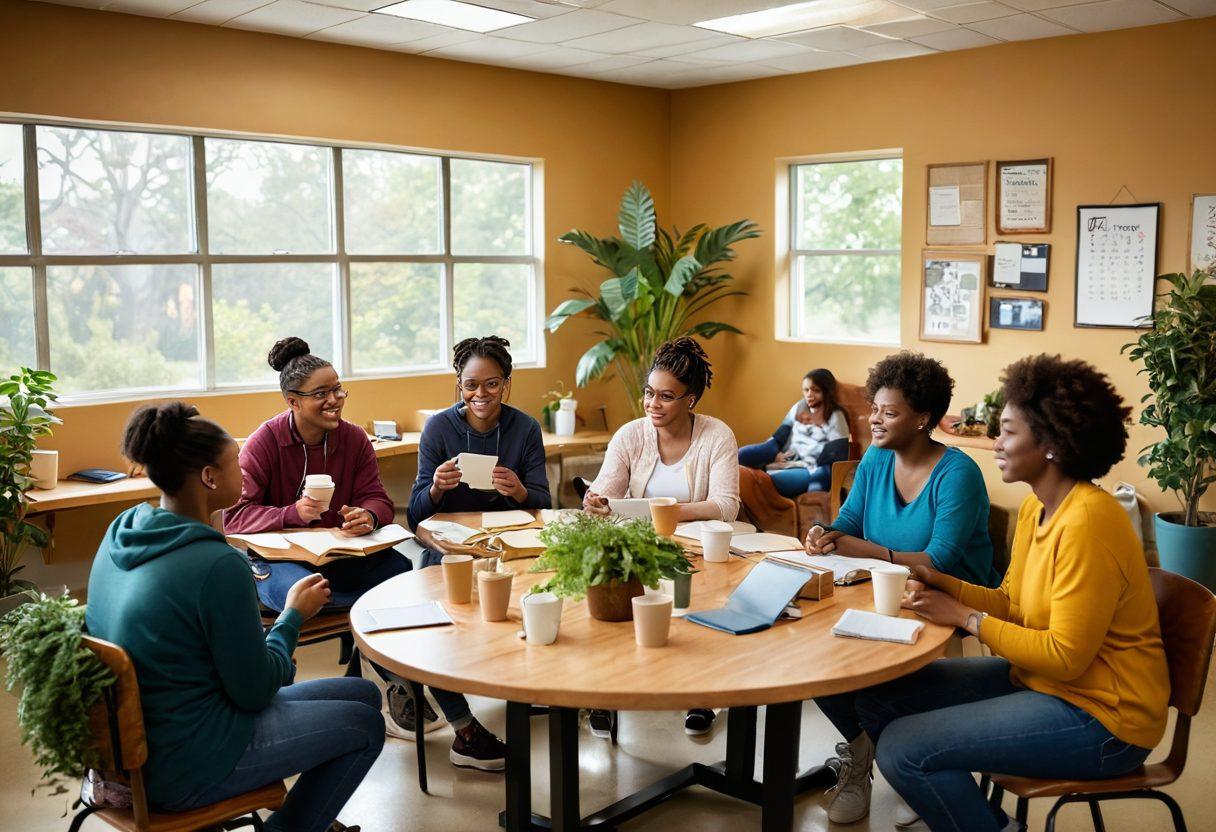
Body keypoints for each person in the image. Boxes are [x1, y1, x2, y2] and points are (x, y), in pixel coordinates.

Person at [844, 355, 1169, 832]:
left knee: (904, 750)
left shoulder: (1089, 522)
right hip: (1043, 683)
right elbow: (1012, 602)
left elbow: (1066, 657)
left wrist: (963, 616)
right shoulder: (1040, 507)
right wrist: (944, 584)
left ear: (1053, 444)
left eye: (1009, 432)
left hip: (1104, 718)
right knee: (877, 701)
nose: (996, 444)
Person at [86, 402, 380, 832]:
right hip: (187, 763)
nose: (243, 473)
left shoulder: (123, 530)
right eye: (235, 464)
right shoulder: (216, 565)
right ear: (209, 477)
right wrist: (292, 617)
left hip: (137, 747)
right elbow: (257, 690)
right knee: (367, 724)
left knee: (362, 694)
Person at [224, 337, 505, 772]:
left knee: (401, 579)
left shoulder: (353, 438)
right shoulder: (264, 442)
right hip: (284, 568)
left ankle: (458, 724)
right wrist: (290, 513)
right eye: (322, 394)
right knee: (352, 605)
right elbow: (234, 517)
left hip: (347, 558)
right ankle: (398, 677)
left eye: (339, 390)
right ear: (292, 401)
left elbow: (377, 496)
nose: (335, 400)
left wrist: (368, 518)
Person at [806, 351, 998, 826]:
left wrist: (866, 550)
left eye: (889, 413)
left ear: (923, 419)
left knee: (882, 680)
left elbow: (938, 561)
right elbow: (850, 522)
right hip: (879, 590)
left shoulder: (958, 474)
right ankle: (860, 750)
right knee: (812, 654)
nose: (874, 419)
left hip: (944, 601)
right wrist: (827, 533)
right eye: (875, 408)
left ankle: (913, 765)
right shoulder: (875, 457)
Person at [583, 337, 740, 738]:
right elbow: (608, 486)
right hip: (637, 545)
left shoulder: (716, 435)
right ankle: (604, 694)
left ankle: (701, 694)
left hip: (694, 547)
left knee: (699, 607)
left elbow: (725, 505)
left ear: (690, 400)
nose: (653, 404)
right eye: (649, 393)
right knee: (613, 604)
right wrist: (597, 499)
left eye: (666, 396)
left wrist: (665, 512)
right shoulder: (631, 435)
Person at [408, 335, 551, 527]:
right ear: (460, 385)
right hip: (453, 539)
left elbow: (545, 506)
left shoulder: (526, 428)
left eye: (492, 384)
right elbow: (414, 518)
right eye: (471, 385)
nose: (481, 393)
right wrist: (436, 489)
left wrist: (520, 492)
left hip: (510, 534)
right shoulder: (437, 428)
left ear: (505, 384)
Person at [737, 368, 851, 495]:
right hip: (790, 458)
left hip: (815, 468)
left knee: (769, 481)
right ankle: (765, 468)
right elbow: (780, 436)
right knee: (739, 456)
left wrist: (801, 462)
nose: (809, 395)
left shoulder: (836, 416)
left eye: (816, 390)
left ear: (827, 392)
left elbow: (838, 455)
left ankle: (768, 471)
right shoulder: (800, 407)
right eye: (806, 390)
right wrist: (774, 454)